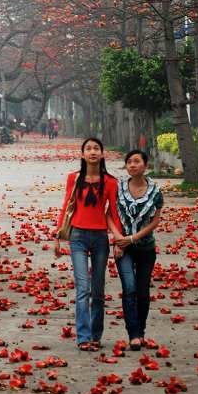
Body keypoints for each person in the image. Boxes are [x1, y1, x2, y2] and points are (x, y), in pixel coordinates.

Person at [55, 137, 121, 351]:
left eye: (96, 149)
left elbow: (114, 212)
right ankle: (83, 337)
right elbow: (67, 205)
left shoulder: (111, 182)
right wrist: (58, 236)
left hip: (100, 237)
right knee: (83, 288)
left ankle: (95, 335)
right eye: (88, 149)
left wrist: (118, 239)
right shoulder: (73, 178)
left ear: (102, 154)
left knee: (98, 291)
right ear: (82, 154)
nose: (92, 152)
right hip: (78, 237)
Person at [112, 149, 163, 351]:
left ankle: (140, 332)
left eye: (136, 161)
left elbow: (155, 222)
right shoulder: (118, 189)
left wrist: (133, 238)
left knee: (142, 292)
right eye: (129, 162)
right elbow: (109, 214)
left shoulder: (155, 192)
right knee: (129, 288)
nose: (132, 165)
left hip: (145, 248)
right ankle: (133, 334)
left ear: (145, 165)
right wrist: (118, 238)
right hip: (123, 248)